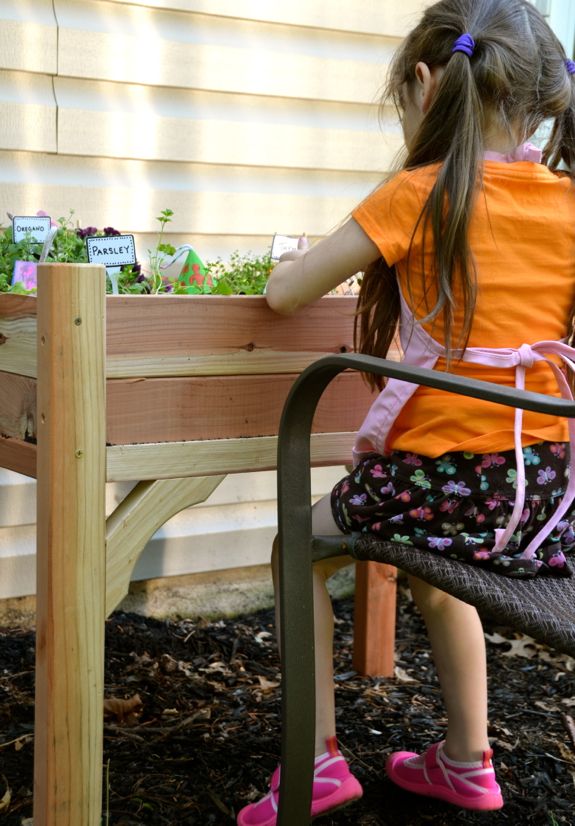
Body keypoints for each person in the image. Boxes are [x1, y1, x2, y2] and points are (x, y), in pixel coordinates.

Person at [237, 1, 575, 823]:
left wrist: (297, 259)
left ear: (425, 84)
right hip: (540, 501)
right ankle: (466, 762)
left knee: (299, 548)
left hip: (441, 486)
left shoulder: (418, 194)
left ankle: (314, 764)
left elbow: (284, 294)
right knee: (437, 575)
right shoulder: (566, 203)